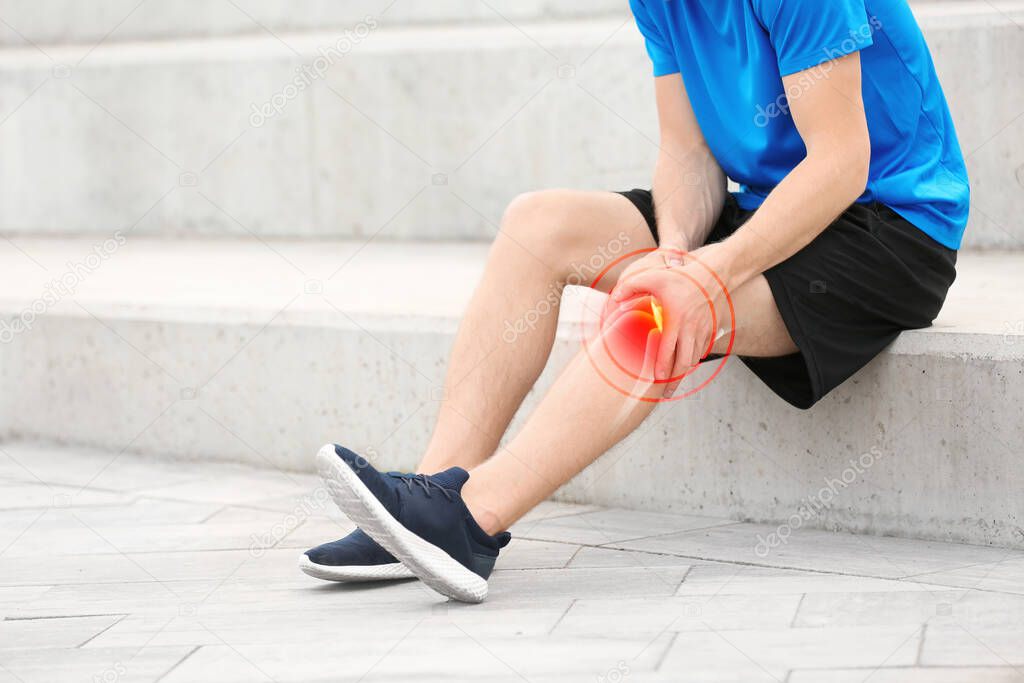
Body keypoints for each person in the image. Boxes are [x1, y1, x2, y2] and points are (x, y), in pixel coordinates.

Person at [301, 0, 969, 602]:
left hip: (888, 229)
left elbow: (840, 162)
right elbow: (688, 154)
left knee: (664, 310)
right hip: (771, 206)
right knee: (538, 226)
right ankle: (430, 496)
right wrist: (676, 250)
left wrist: (706, 276)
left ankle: (472, 519)